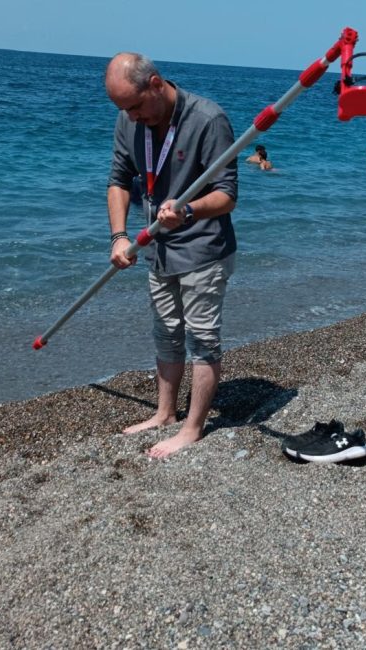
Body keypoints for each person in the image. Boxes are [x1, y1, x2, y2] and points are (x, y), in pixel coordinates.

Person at [105, 52, 239, 459]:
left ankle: (193, 428)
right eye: (122, 109)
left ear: (156, 84)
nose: (130, 117)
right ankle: (165, 414)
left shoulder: (208, 119)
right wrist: (118, 236)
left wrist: (190, 209)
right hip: (156, 248)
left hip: (203, 249)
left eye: (135, 105)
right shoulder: (130, 120)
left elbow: (228, 195)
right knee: (166, 333)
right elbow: (118, 181)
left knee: (202, 339)